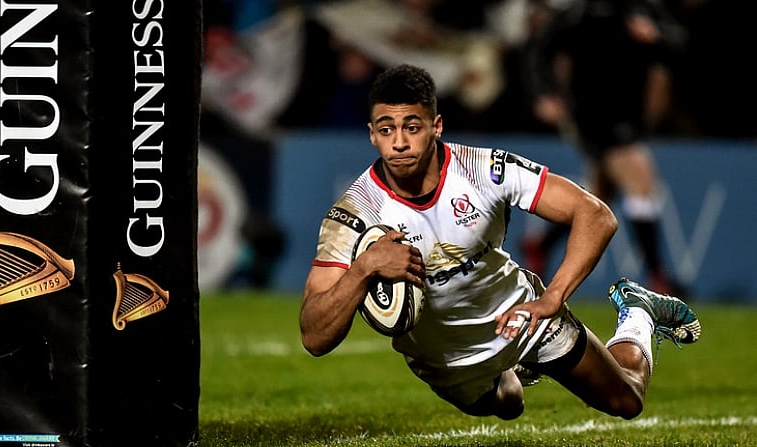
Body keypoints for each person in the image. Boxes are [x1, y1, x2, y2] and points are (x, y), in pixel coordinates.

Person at [299, 64, 700, 420]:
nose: (399, 142)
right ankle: (512, 372)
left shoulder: (483, 170)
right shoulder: (355, 213)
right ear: (372, 134)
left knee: (626, 401)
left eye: (412, 127)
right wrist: (364, 268)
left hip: (524, 318)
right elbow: (314, 336)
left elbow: (595, 214)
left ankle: (637, 313)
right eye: (386, 129)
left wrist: (553, 297)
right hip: (446, 361)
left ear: (436, 126)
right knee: (510, 404)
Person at [519, 0, 688, 295]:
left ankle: (540, 245)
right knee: (640, 178)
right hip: (591, 115)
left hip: (630, 114)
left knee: (599, 197)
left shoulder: (644, 8)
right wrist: (543, 94)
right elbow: (540, 50)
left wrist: (656, 34)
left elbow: (679, 41)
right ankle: (657, 277)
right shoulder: (581, 13)